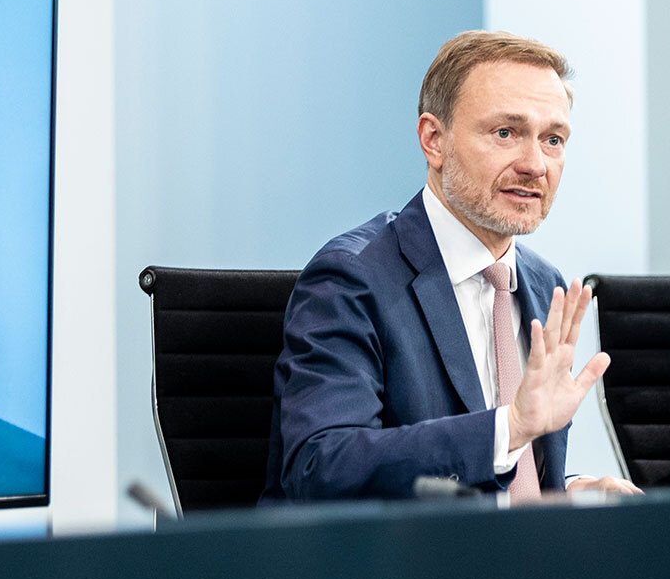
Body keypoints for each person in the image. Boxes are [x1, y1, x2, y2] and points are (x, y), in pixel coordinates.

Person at [265, 30, 639, 501]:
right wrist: (507, 429)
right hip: (386, 571)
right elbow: (322, 464)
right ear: (433, 140)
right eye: (506, 133)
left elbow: (502, 481)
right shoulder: (351, 279)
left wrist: (564, 492)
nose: (535, 164)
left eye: (553, 139)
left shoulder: (541, 283)